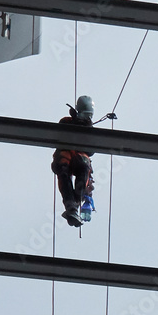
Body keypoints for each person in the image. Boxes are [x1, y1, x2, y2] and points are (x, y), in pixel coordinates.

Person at [51, 96, 96, 228]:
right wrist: (77, 123)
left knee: (83, 168)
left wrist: (87, 127)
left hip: (80, 158)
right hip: (66, 154)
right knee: (63, 170)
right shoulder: (66, 121)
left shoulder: (89, 129)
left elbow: (91, 150)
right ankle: (71, 204)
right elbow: (60, 134)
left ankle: (75, 203)